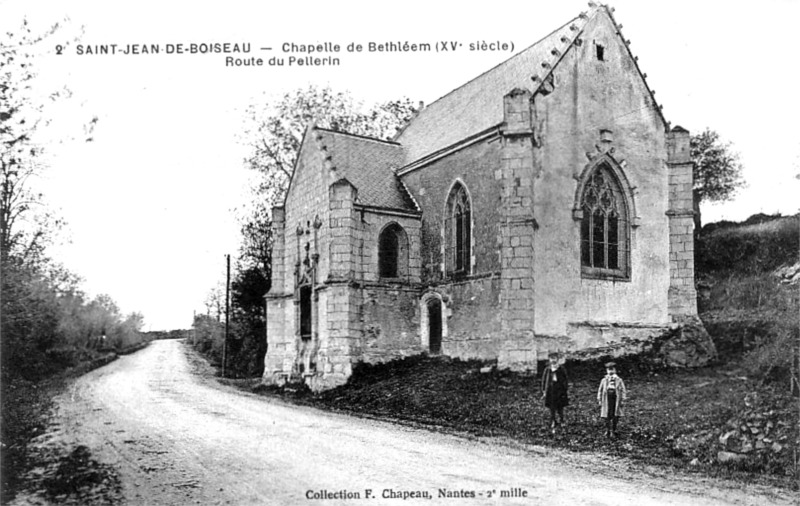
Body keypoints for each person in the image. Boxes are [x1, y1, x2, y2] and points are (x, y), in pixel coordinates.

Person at [597, 361, 627, 438]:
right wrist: (600, 399)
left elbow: (623, 390)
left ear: (615, 370)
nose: (610, 371)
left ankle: (613, 430)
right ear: (606, 371)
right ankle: (607, 430)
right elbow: (600, 390)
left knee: (615, 415)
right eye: (608, 370)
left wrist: (623, 399)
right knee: (606, 415)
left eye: (612, 369)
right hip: (606, 399)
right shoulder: (604, 380)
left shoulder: (619, 380)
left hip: (616, 399)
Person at [541, 352, 569, 433]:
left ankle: (562, 420)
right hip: (550, 391)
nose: (553, 360)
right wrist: (543, 390)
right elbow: (543, 381)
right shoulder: (547, 369)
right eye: (551, 358)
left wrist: (564, 389)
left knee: (560, 406)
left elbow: (565, 380)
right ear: (549, 360)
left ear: (557, 359)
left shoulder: (561, 369)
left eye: (555, 358)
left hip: (559, 391)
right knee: (552, 407)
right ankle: (553, 420)